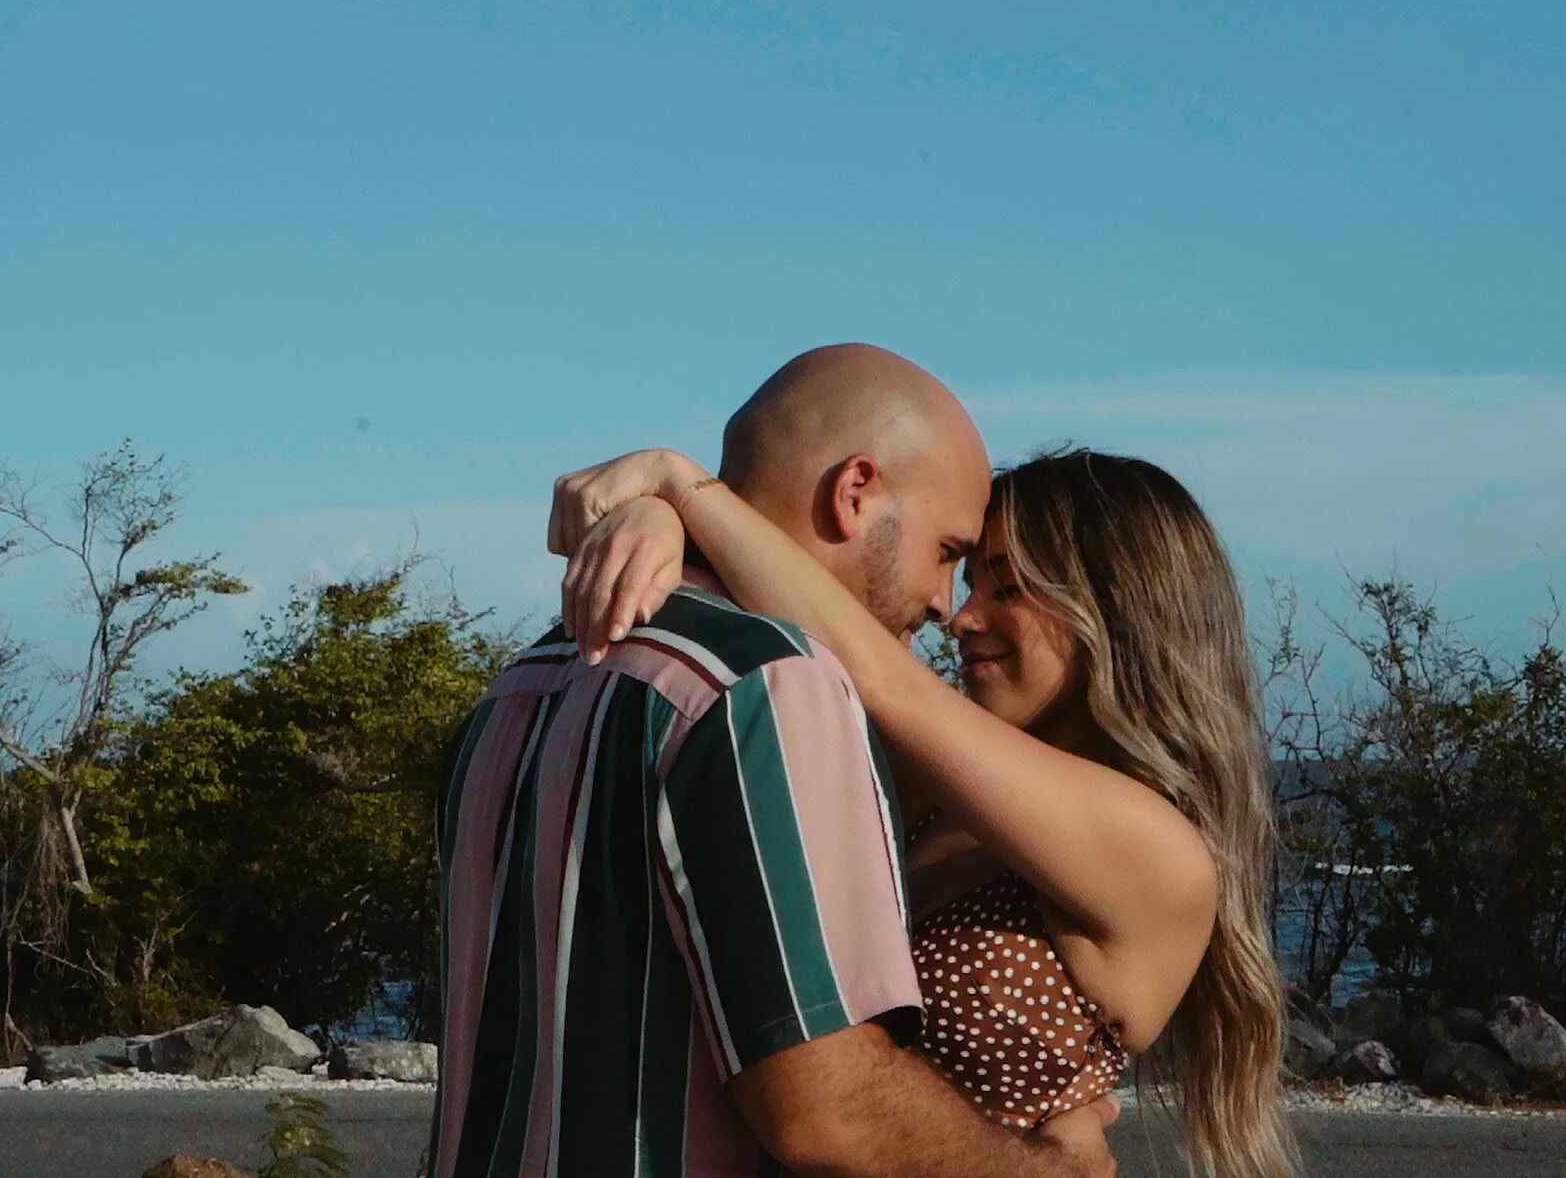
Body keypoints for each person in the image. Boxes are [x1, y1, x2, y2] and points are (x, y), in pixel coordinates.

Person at [428, 345, 1119, 1178]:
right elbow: (831, 1114)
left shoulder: (522, 684)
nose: (946, 605)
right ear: (854, 491)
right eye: (946, 551)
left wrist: (670, 504)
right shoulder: (771, 683)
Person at [552, 434, 1295, 1176]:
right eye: (970, 582)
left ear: (1117, 608)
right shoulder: (940, 795)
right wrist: (667, 531)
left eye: (1007, 588)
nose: (961, 617)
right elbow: (808, 636)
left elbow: (867, 668)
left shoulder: (1155, 847)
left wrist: (680, 485)